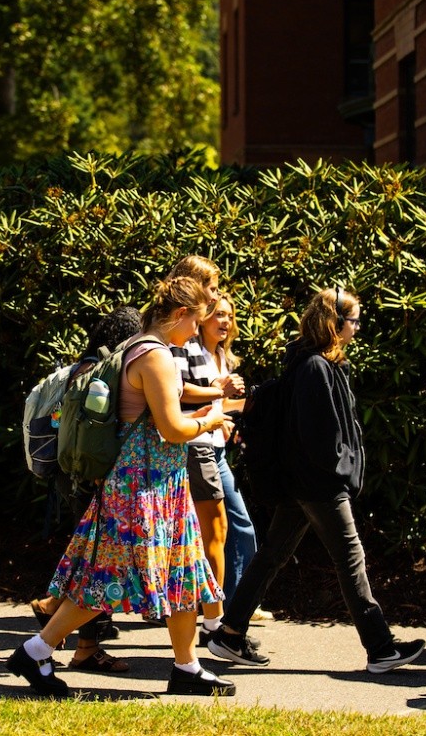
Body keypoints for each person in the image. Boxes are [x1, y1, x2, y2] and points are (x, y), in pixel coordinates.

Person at [5, 276, 233, 697]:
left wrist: (214, 395)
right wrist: (212, 420)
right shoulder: (156, 356)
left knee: (182, 570)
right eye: (195, 322)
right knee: (106, 578)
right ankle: (36, 650)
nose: (197, 331)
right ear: (181, 315)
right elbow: (172, 426)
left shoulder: (140, 346)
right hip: (140, 486)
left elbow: (176, 393)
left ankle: (187, 666)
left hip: (161, 484)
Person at [207, 288, 426, 674]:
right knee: (350, 558)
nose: (357, 328)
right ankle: (380, 648)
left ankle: (229, 632)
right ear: (335, 323)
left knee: (271, 555)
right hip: (319, 483)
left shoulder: (314, 363)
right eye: (353, 320)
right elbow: (316, 434)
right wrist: (340, 469)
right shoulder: (314, 368)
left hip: (302, 483)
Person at [28, 305, 142, 673]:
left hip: (72, 475)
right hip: (92, 478)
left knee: (87, 560)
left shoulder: (82, 367)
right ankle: (86, 648)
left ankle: (53, 606)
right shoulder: (103, 372)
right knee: (96, 566)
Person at [166, 256, 244, 642]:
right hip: (194, 442)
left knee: (207, 532)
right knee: (214, 530)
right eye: (211, 287)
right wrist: (220, 392)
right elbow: (178, 391)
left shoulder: (190, 335)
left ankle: (211, 619)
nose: (215, 296)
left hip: (201, 439)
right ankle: (217, 624)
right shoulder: (178, 337)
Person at [198, 292, 259, 605]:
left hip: (218, 453)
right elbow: (192, 402)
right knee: (229, 529)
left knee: (236, 527)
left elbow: (222, 404)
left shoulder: (222, 357)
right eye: (219, 314)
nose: (225, 321)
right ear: (203, 317)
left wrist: (254, 404)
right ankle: (226, 605)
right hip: (198, 453)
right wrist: (219, 412)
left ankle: (235, 600)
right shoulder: (194, 355)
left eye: (229, 316)